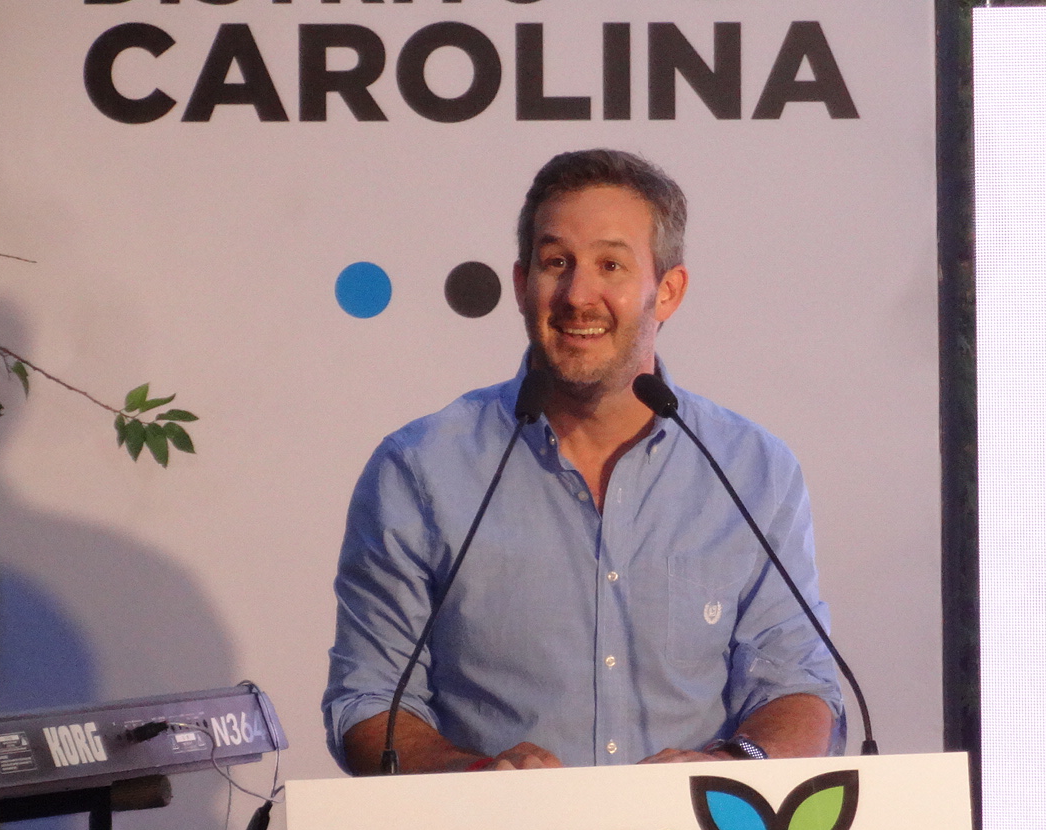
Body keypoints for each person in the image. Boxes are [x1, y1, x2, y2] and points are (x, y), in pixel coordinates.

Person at [322, 148, 842, 775]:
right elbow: (369, 702)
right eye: (556, 263)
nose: (577, 295)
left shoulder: (753, 470)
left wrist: (732, 764)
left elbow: (799, 686)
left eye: (611, 265)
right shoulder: (419, 469)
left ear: (668, 291)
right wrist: (476, 779)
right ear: (522, 285)